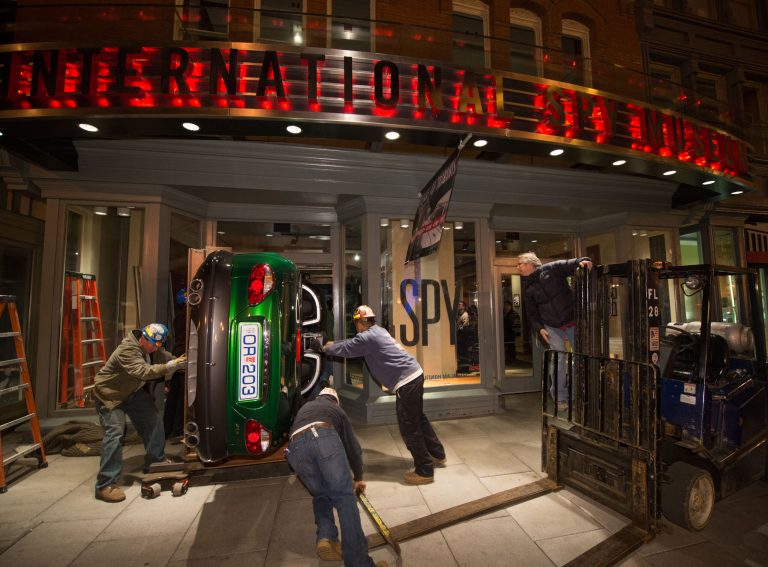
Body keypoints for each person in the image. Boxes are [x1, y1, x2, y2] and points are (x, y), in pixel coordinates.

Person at [313, 305, 446, 485]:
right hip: (414, 375)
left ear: (360, 322)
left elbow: (348, 348)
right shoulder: (377, 331)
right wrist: (331, 344)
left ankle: (424, 470)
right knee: (418, 419)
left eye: (357, 323)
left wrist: (324, 348)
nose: (357, 327)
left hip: (407, 381)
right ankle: (437, 453)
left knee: (409, 426)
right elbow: (351, 343)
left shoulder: (367, 338)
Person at [285, 387, 387, 567]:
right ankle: (359, 563)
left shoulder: (307, 407)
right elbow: (353, 448)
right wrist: (358, 477)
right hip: (322, 435)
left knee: (321, 494)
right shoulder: (337, 410)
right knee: (345, 499)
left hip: (295, 449)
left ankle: (326, 537)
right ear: (335, 400)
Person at [93, 323, 187, 503]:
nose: (152, 347)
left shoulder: (152, 348)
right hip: (110, 396)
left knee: (153, 421)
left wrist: (184, 362)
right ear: (143, 336)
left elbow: (167, 358)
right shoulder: (127, 350)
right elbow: (143, 372)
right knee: (115, 433)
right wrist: (171, 365)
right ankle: (105, 484)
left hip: (133, 393)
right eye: (150, 343)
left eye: (156, 345)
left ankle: (155, 462)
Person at [518, 252, 592, 409]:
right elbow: (531, 314)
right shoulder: (527, 287)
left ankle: (577, 392)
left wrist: (584, 261)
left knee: (579, 357)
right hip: (551, 326)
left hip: (572, 320)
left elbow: (572, 263)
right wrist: (540, 329)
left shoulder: (552, 268)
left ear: (530, 264)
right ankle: (560, 397)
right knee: (558, 359)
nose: (518, 267)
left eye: (520, 264)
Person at [163, 288, 187, 441]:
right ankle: (178, 430)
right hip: (185, 356)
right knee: (183, 397)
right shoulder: (189, 315)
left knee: (175, 394)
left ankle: (168, 429)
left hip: (178, 354)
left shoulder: (178, 317)